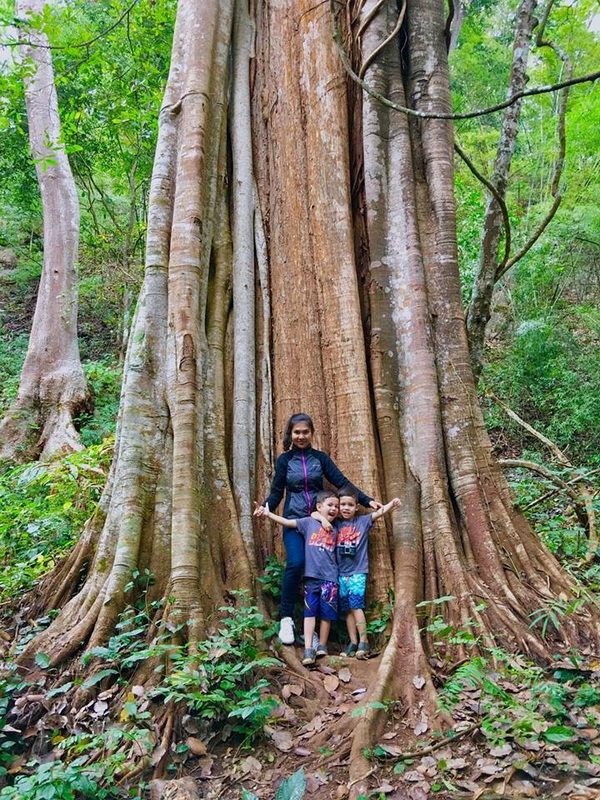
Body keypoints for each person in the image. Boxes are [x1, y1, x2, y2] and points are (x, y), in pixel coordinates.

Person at [253, 413, 381, 645]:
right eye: (296, 432)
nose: (301, 436)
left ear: (312, 433)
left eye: (305, 432)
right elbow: (276, 492)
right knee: (296, 564)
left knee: (321, 573)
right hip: (294, 521)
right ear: (290, 434)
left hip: (321, 524)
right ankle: (286, 618)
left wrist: (366, 500)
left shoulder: (320, 459)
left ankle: (314, 630)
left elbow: (341, 482)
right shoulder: (284, 461)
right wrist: (265, 508)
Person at [254, 491, 340, 666]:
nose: (334, 509)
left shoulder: (337, 528)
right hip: (311, 577)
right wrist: (268, 513)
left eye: (336, 506)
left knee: (327, 613)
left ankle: (322, 645)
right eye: (330, 505)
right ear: (319, 507)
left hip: (331, 578)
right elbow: (287, 522)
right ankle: (308, 648)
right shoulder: (308, 523)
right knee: (310, 612)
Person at [313, 487, 400, 659]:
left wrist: (392, 504)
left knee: (356, 605)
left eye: (350, 505)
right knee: (347, 610)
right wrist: (323, 521)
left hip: (357, 572)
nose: (345, 508)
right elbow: (314, 515)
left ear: (357, 507)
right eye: (342, 505)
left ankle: (364, 641)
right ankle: (353, 642)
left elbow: (378, 513)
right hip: (340, 574)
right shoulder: (335, 523)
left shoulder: (362, 521)